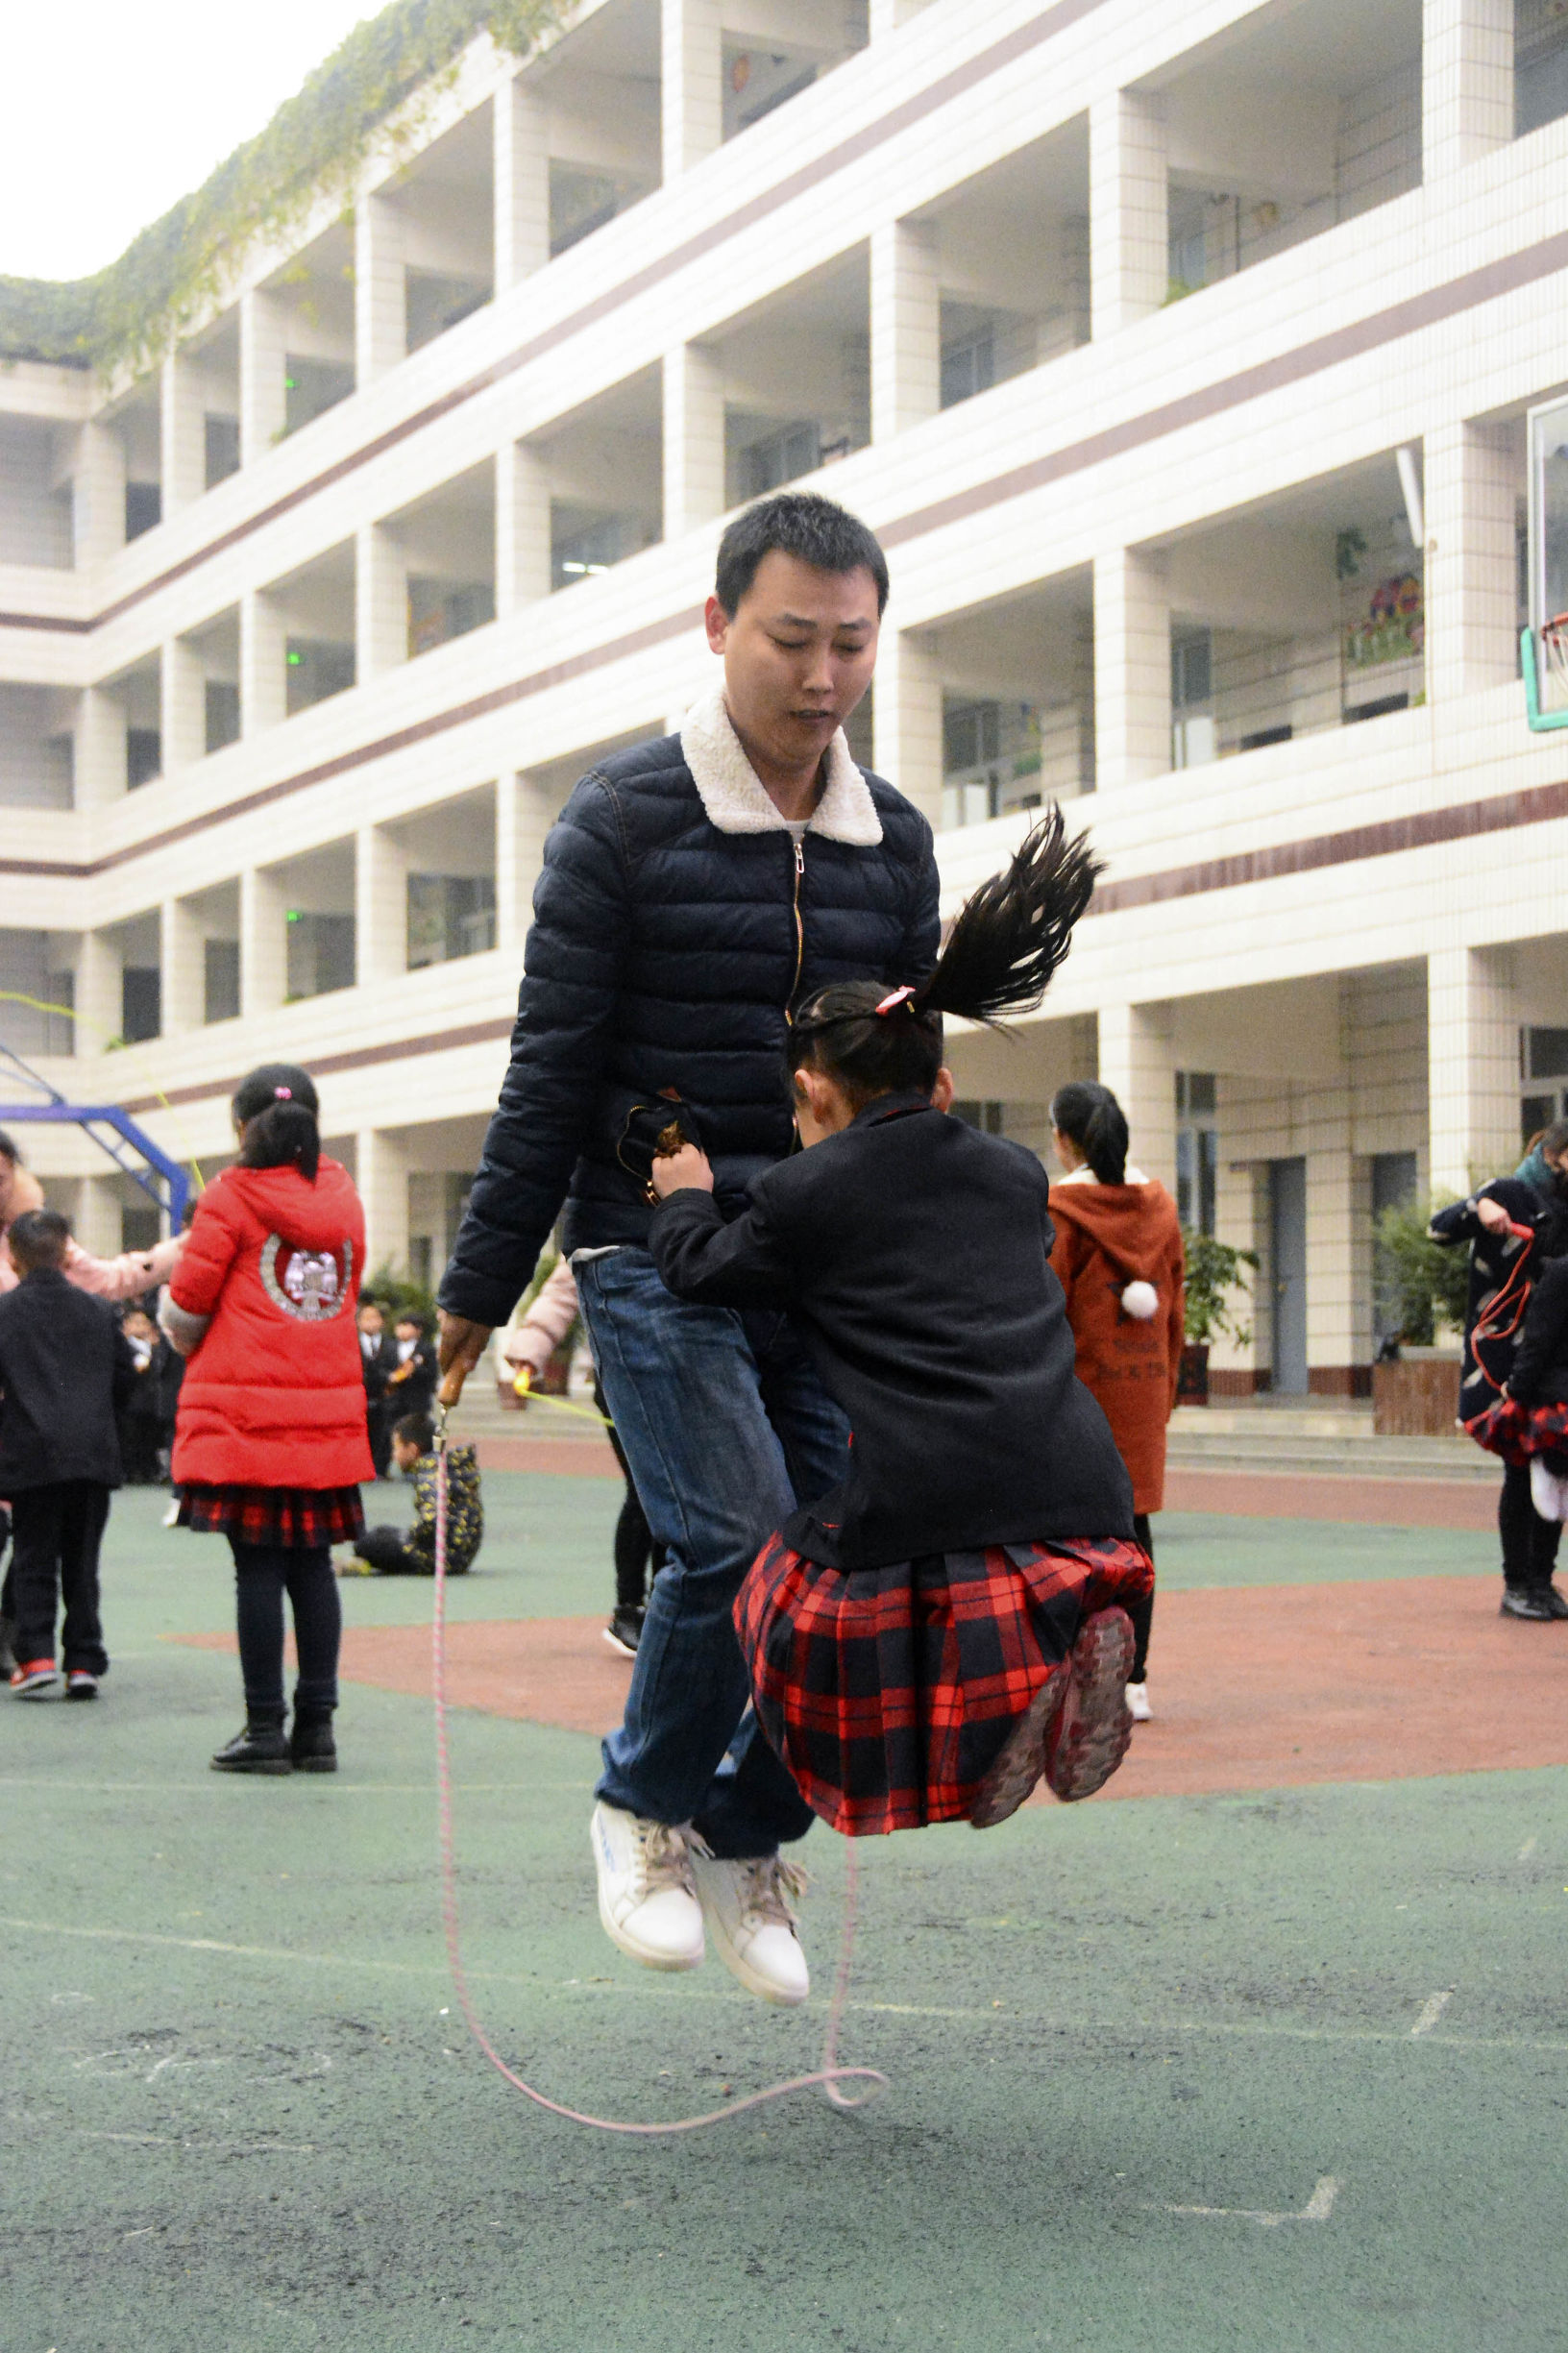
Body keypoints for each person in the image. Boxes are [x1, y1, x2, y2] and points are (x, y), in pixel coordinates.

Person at [437, 491, 940, 2006]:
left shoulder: (895, 845)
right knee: (734, 1541)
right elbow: (550, 1068)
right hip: (649, 1245)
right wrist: (479, 1290)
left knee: (858, 1556)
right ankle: (639, 1806)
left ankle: (744, 1832)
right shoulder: (620, 823)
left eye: (852, 643)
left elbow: (906, 1087)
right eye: (791, 639)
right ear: (718, 625)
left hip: (821, 1259)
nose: (824, 675)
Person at [649, 811, 1150, 1870]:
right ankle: (1053, 1658)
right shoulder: (1014, 1174)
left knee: (788, 1597)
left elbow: (702, 1268)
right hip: (1084, 1485)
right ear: (944, 1087)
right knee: (969, 1586)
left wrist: (686, 1192)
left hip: (929, 1484)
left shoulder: (806, 1190)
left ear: (812, 1093)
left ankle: (947, 1752)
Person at [161, 1063, 372, 1773]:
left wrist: (186, 1337)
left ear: (240, 1125)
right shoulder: (343, 1194)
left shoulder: (230, 1193)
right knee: (314, 1568)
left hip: (245, 1416)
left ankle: (263, 1727)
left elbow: (187, 1305)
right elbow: (345, 1290)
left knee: (256, 1568)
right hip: (326, 1415)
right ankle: (318, 1728)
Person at [1044, 1081, 1185, 1723]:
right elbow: (1174, 1312)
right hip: (1142, 1389)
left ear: (1064, 1140)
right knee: (1136, 1533)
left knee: (1069, 1541)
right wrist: (1164, 1392)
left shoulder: (1058, 1211)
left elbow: (1045, 1309)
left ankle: (1077, 1676)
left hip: (1076, 1399)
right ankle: (1135, 1683)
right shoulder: (1161, 1208)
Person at [0, 1209, 136, 1699]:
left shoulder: (4, 1313)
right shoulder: (99, 1311)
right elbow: (125, 1378)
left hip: (31, 1454)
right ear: (66, 1254)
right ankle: (83, 1661)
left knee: (34, 1558)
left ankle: (36, 1657)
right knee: (83, 1563)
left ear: (13, 1258)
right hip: (92, 1453)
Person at [501, 1256, 662, 1654]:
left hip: (690, 1372)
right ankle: (629, 1609)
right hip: (622, 1372)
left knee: (684, 1497)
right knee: (647, 1491)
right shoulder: (604, 1225)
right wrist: (531, 1349)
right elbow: (563, 1288)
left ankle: (670, 1605)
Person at [1433, 1169, 1568, 1619]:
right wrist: (1479, 1208)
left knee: (1553, 1471)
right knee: (1520, 1471)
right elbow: (1439, 1227)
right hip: (1505, 1366)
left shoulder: (1559, 1209)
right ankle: (1518, 1584)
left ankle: (1541, 1581)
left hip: (1548, 1364)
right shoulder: (1510, 1192)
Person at [0, 1127, 182, 1301]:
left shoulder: (35, 1232)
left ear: (15, 1176)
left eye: (0, 1180)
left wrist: (177, 1251)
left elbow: (104, 1280)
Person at [342, 1410, 482, 1577]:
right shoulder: (445, 1467)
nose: (394, 1456)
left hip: (441, 1558)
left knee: (366, 1544)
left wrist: (410, 1538)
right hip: (463, 1552)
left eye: (396, 1448)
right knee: (383, 1532)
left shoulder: (430, 1475)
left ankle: (359, 1562)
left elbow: (432, 1520)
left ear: (413, 1449)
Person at [116, 1305, 169, 1484]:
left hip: (151, 1400)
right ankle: (132, 1471)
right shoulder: (126, 1347)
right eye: (135, 1323)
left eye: (143, 1323)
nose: (140, 1327)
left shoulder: (156, 1347)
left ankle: (150, 1469)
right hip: (132, 1400)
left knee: (150, 1438)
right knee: (132, 1437)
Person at [356, 1298, 397, 1477]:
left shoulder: (390, 1345)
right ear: (359, 1322)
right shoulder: (352, 1342)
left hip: (384, 1397)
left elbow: (395, 1369)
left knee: (383, 1434)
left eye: (375, 1318)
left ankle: (380, 1469)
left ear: (381, 1321)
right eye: (367, 1318)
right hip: (360, 1397)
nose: (371, 1322)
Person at [384, 1311, 437, 1421]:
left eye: (406, 1326)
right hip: (393, 1403)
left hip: (417, 1403)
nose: (402, 1329)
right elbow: (382, 1368)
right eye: (400, 1325)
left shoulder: (426, 1349)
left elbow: (432, 1373)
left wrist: (413, 1370)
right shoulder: (388, 1347)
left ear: (418, 1330)